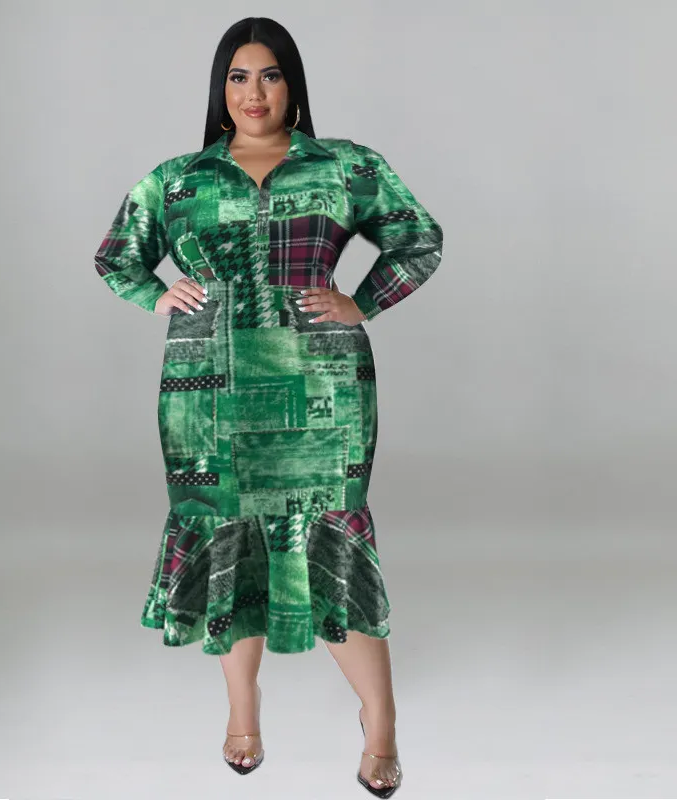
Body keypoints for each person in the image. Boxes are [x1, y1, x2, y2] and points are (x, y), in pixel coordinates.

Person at [93, 16, 443, 797]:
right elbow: (116, 257)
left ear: (294, 85)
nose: (255, 92)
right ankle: (243, 712)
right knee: (230, 533)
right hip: (207, 389)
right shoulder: (178, 180)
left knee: (329, 533)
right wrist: (157, 296)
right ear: (220, 89)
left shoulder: (344, 166)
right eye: (239, 76)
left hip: (322, 385)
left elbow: (418, 238)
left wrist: (363, 301)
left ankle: (381, 722)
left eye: (271, 74)